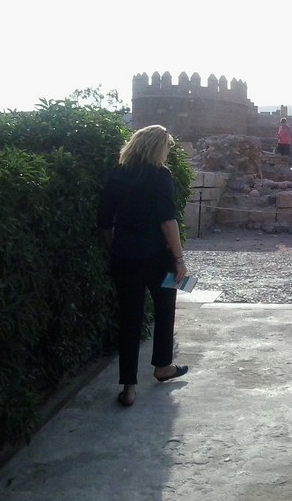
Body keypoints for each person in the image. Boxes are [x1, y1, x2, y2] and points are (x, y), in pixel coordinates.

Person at [97, 125, 189, 407]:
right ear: (158, 148)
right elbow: (167, 220)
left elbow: (104, 219)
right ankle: (162, 367)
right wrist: (179, 259)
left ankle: (128, 387)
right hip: (158, 258)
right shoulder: (161, 177)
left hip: (124, 257)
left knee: (129, 318)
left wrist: (116, 246)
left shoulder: (117, 173)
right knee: (164, 310)